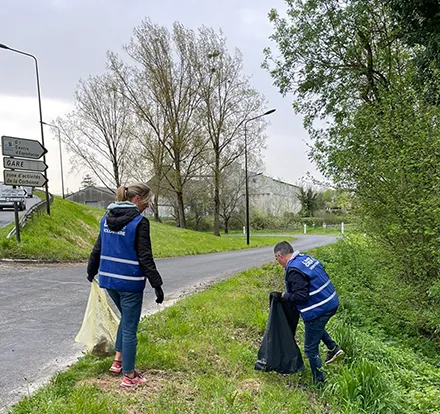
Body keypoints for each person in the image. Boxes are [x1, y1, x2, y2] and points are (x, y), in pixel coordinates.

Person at [87, 183, 164, 388]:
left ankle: (118, 361)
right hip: (130, 283)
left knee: (125, 319)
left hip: (109, 281)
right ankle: (130, 376)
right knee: (130, 326)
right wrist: (157, 284)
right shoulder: (139, 222)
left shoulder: (106, 218)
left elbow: (98, 248)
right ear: (137, 199)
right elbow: (145, 257)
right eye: (147, 200)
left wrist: (91, 270)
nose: (148, 205)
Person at [272, 241, 344, 384]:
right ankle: (334, 348)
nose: (277, 262)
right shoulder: (305, 259)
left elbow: (301, 297)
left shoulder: (293, 270)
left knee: (310, 349)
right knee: (314, 326)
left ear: (280, 255)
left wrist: (284, 296)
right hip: (330, 301)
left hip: (320, 308)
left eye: (276, 259)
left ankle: (319, 382)